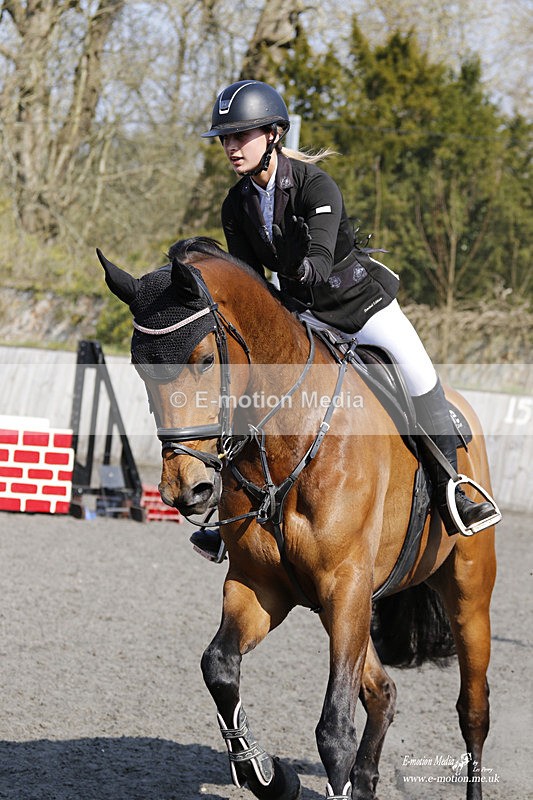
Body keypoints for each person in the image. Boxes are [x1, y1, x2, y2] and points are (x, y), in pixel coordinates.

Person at [191, 79, 498, 560]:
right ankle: (234, 514)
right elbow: (251, 280)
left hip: (360, 308)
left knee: (417, 373)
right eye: (226, 139)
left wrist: (297, 272)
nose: (231, 147)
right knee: (250, 385)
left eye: (241, 135)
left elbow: (317, 256)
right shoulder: (236, 204)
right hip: (304, 317)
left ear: (273, 134)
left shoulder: (316, 186)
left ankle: (451, 489)